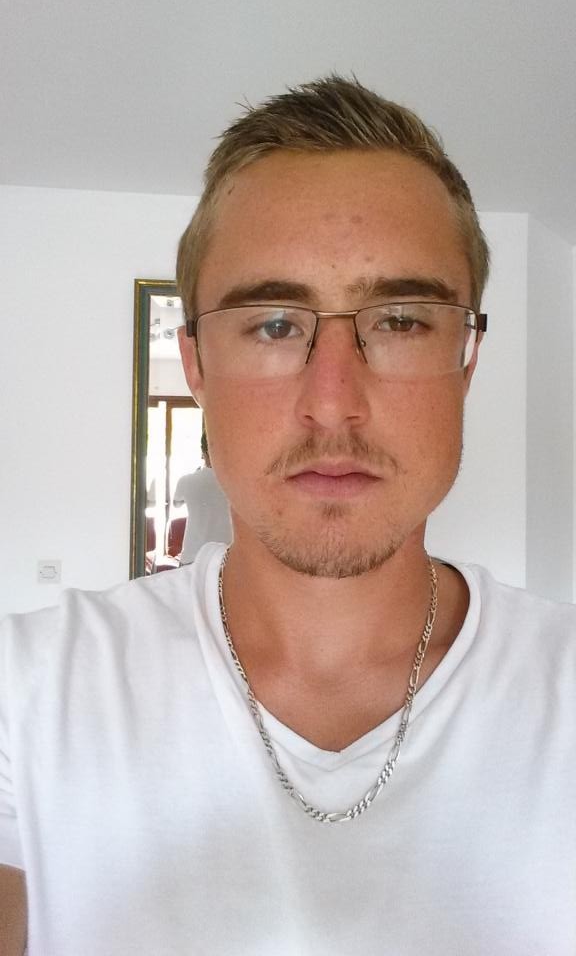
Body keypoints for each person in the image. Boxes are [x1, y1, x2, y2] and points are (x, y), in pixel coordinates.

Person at [1, 76, 575, 955]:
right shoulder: (29, 694)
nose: (333, 402)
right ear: (196, 365)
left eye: (400, 320)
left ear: (466, 362)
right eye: (274, 324)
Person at [172, 430, 233, 563]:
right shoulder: (235, 482)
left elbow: (176, 503)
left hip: (192, 556)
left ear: (203, 453)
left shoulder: (187, 481)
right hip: (225, 559)